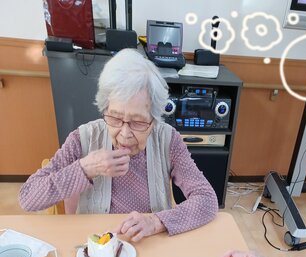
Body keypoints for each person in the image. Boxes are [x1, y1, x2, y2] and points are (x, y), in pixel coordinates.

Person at [19, 49, 218, 242]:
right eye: (115, 118)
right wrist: (86, 168)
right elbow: (28, 198)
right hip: (95, 246)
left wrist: (156, 222)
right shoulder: (83, 138)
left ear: (154, 120)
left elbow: (207, 199)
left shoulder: (168, 139)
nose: (124, 134)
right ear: (105, 108)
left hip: (148, 243)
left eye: (138, 122)